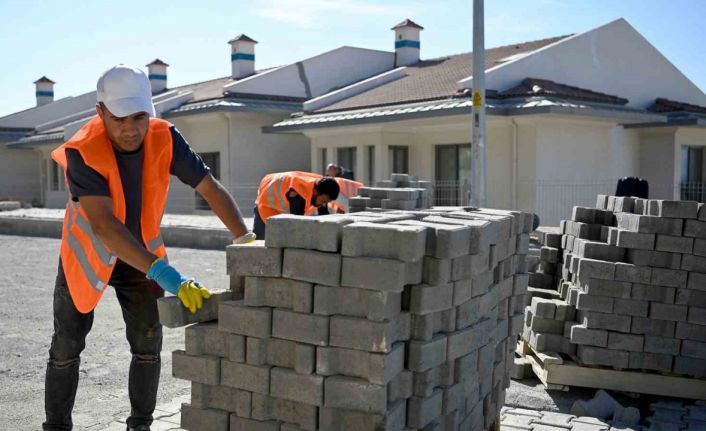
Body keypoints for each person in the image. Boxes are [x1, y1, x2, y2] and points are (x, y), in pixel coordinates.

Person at [44, 65, 253, 431]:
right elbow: (104, 225)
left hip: (139, 254)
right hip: (88, 255)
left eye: (139, 116)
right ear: (101, 113)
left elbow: (208, 186)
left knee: (147, 344)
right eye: (120, 118)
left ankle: (139, 425)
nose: (131, 128)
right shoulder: (83, 149)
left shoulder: (165, 138)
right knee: (66, 348)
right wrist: (164, 272)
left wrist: (244, 237)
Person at [252, 171, 340, 239]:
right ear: (315, 192)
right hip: (266, 204)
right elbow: (296, 226)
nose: (323, 204)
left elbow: (324, 215)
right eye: (323, 201)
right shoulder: (298, 194)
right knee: (262, 242)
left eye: (326, 202)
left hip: (281, 200)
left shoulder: (323, 185)